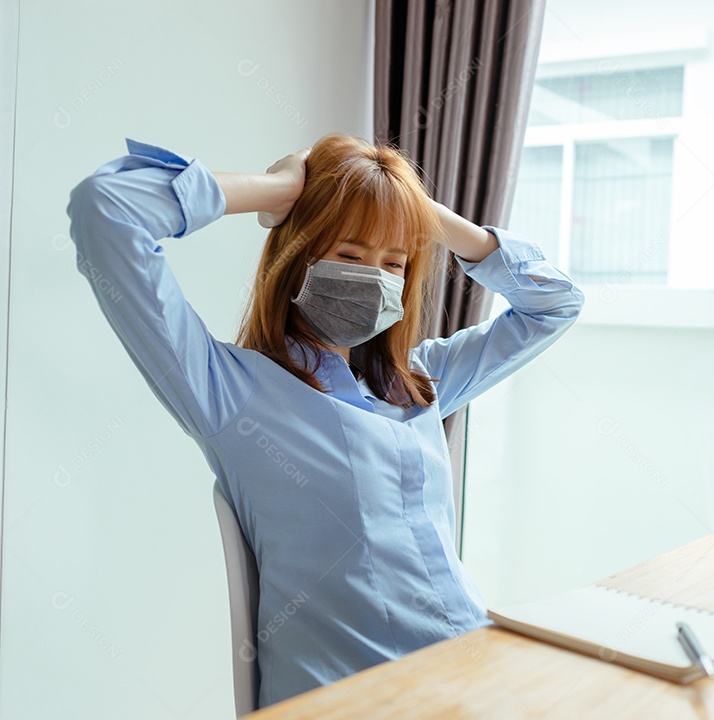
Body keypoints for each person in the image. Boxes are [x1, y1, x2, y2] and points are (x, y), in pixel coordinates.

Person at [66, 135, 584, 708]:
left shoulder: (419, 379)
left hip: (470, 670)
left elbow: (555, 303)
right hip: (356, 697)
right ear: (299, 255)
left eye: (395, 262)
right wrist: (283, 190)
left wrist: (414, 210)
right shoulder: (229, 390)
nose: (376, 276)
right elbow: (106, 209)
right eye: (351, 253)